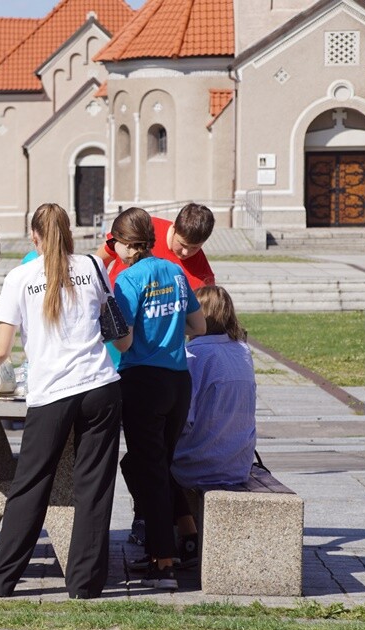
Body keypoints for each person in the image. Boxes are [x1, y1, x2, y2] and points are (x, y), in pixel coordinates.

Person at [0, 202, 123, 599]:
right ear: (69, 231)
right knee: (94, 487)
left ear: (34, 237)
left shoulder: (21, 277)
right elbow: (118, 333)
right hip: (101, 387)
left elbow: (0, 349)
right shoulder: (93, 266)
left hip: (53, 393)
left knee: (30, 485)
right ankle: (85, 584)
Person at [100, 203, 215, 547]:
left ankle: (161, 557)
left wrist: (107, 321)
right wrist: (169, 330)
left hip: (143, 381)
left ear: (124, 244)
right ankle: (189, 535)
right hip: (178, 380)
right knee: (159, 463)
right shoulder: (176, 272)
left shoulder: (127, 279)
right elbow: (200, 324)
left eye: (114, 245)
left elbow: (124, 342)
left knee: (148, 468)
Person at [173, 285, 257, 489]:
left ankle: (157, 520)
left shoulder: (193, 354)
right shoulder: (242, 351)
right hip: (238, 464)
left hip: (198, 465)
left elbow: (184, 418)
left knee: (143, 457)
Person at [98, 203, 215, 291]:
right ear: (174, 228)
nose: (186, 252)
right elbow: (98, 260)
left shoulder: (201, 268)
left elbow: (206, 303)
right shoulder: (144, 229)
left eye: (194, 247)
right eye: (182, 244)